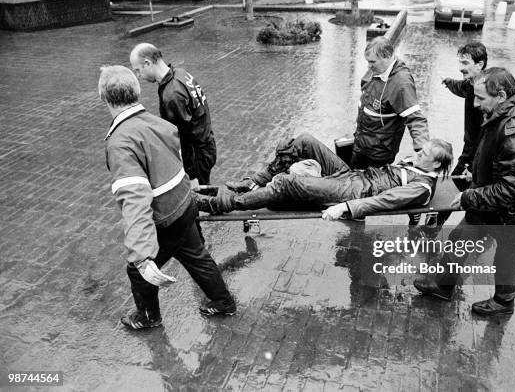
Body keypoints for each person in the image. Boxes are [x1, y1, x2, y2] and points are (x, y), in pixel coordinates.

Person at [99, 65, 235, 330]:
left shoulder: (121, 142)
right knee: (198, 256)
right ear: (136, 91)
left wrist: (141, 255)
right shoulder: (159, 124)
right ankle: (224, 302)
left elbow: (135, 199)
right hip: (185, 204)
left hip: (166, 218)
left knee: (137, 272)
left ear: (104, 98)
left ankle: (148, 317)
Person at [414, 67, 515, 316]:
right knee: (459, 239)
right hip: (490, 207)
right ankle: (442, 286)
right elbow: (499, 160)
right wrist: (478, 175)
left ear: (500, 95)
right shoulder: (503, 111)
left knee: (505, 260)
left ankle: (503, 303)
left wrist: (470, 196)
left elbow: (514, 187)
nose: (476, 104)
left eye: (481, 98)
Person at [196, 134, 452, 220]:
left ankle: (223, 204)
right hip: (352, 176)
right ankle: (255, 182)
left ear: (437, 163)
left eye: (426, 153)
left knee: (288, 182)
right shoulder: (417, 165)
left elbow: (384, 202)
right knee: (305, 140)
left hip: (352, 193)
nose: (420, 153)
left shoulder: (420, 188)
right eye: (423, 148)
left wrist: (345, 208)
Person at [130, 43, 216, 186]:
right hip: (207, 146)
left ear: (147, 63)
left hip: (197, 158)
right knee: (206, 189)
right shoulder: (180, 73)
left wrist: (192, 174)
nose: (138, 76)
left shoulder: (172, 95)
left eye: (138, 70)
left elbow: (184, 138)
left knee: (200, 197)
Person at [351, 37, 430, 169]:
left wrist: (423, 151)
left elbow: (416, 118)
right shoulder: (374, 70)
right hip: (360, 145)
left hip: (378, 155)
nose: (368, 66)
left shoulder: (401, 83)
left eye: (372, 62)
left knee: (368, 187)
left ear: (387, 57)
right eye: (368, 61)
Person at [441, 42, 487, 192]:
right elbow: (460, 87)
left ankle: (436, 216)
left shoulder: (488, 94)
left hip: (478, 156)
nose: (461, 67)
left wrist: (475, 166)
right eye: (460, 62)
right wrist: (448, 82)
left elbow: (491, 135)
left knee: (451, 191)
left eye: (466, 62)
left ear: (480, 64)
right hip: (470, 151)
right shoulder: (470, 84)